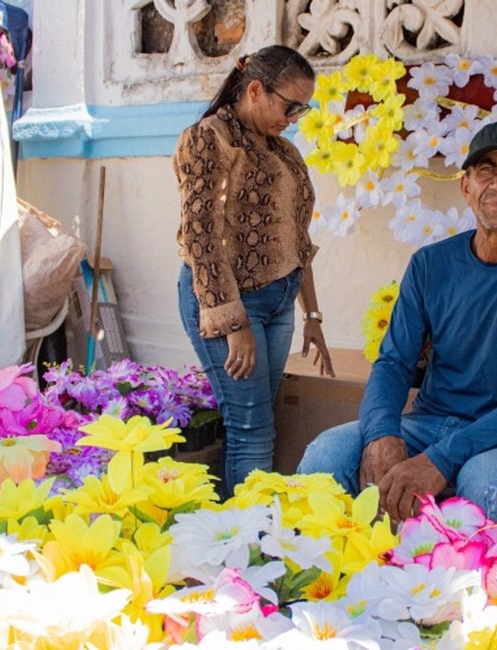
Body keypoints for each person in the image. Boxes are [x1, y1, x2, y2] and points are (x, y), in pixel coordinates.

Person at [297, 120, 497, 522]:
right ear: (466, 187)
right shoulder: (430, 264)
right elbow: (394, 363)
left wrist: (440, 459)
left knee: (486, 482)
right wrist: (383, 433)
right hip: (429, 424)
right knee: (326, 456)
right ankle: (326, 564)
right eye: (487, 169)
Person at [175, 45, 334, 498]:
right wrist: (234, 324)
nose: (294, 118)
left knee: (257, 422)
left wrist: (313, 316)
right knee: (252, 428)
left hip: (279, 302)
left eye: (303, 109)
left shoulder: (283, 151)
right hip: (228, 302)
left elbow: (297, 241)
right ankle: (248, 536)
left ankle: (241, 525)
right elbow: (201, 235)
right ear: (256, 90)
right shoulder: (210, 138)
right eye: (290, 106)